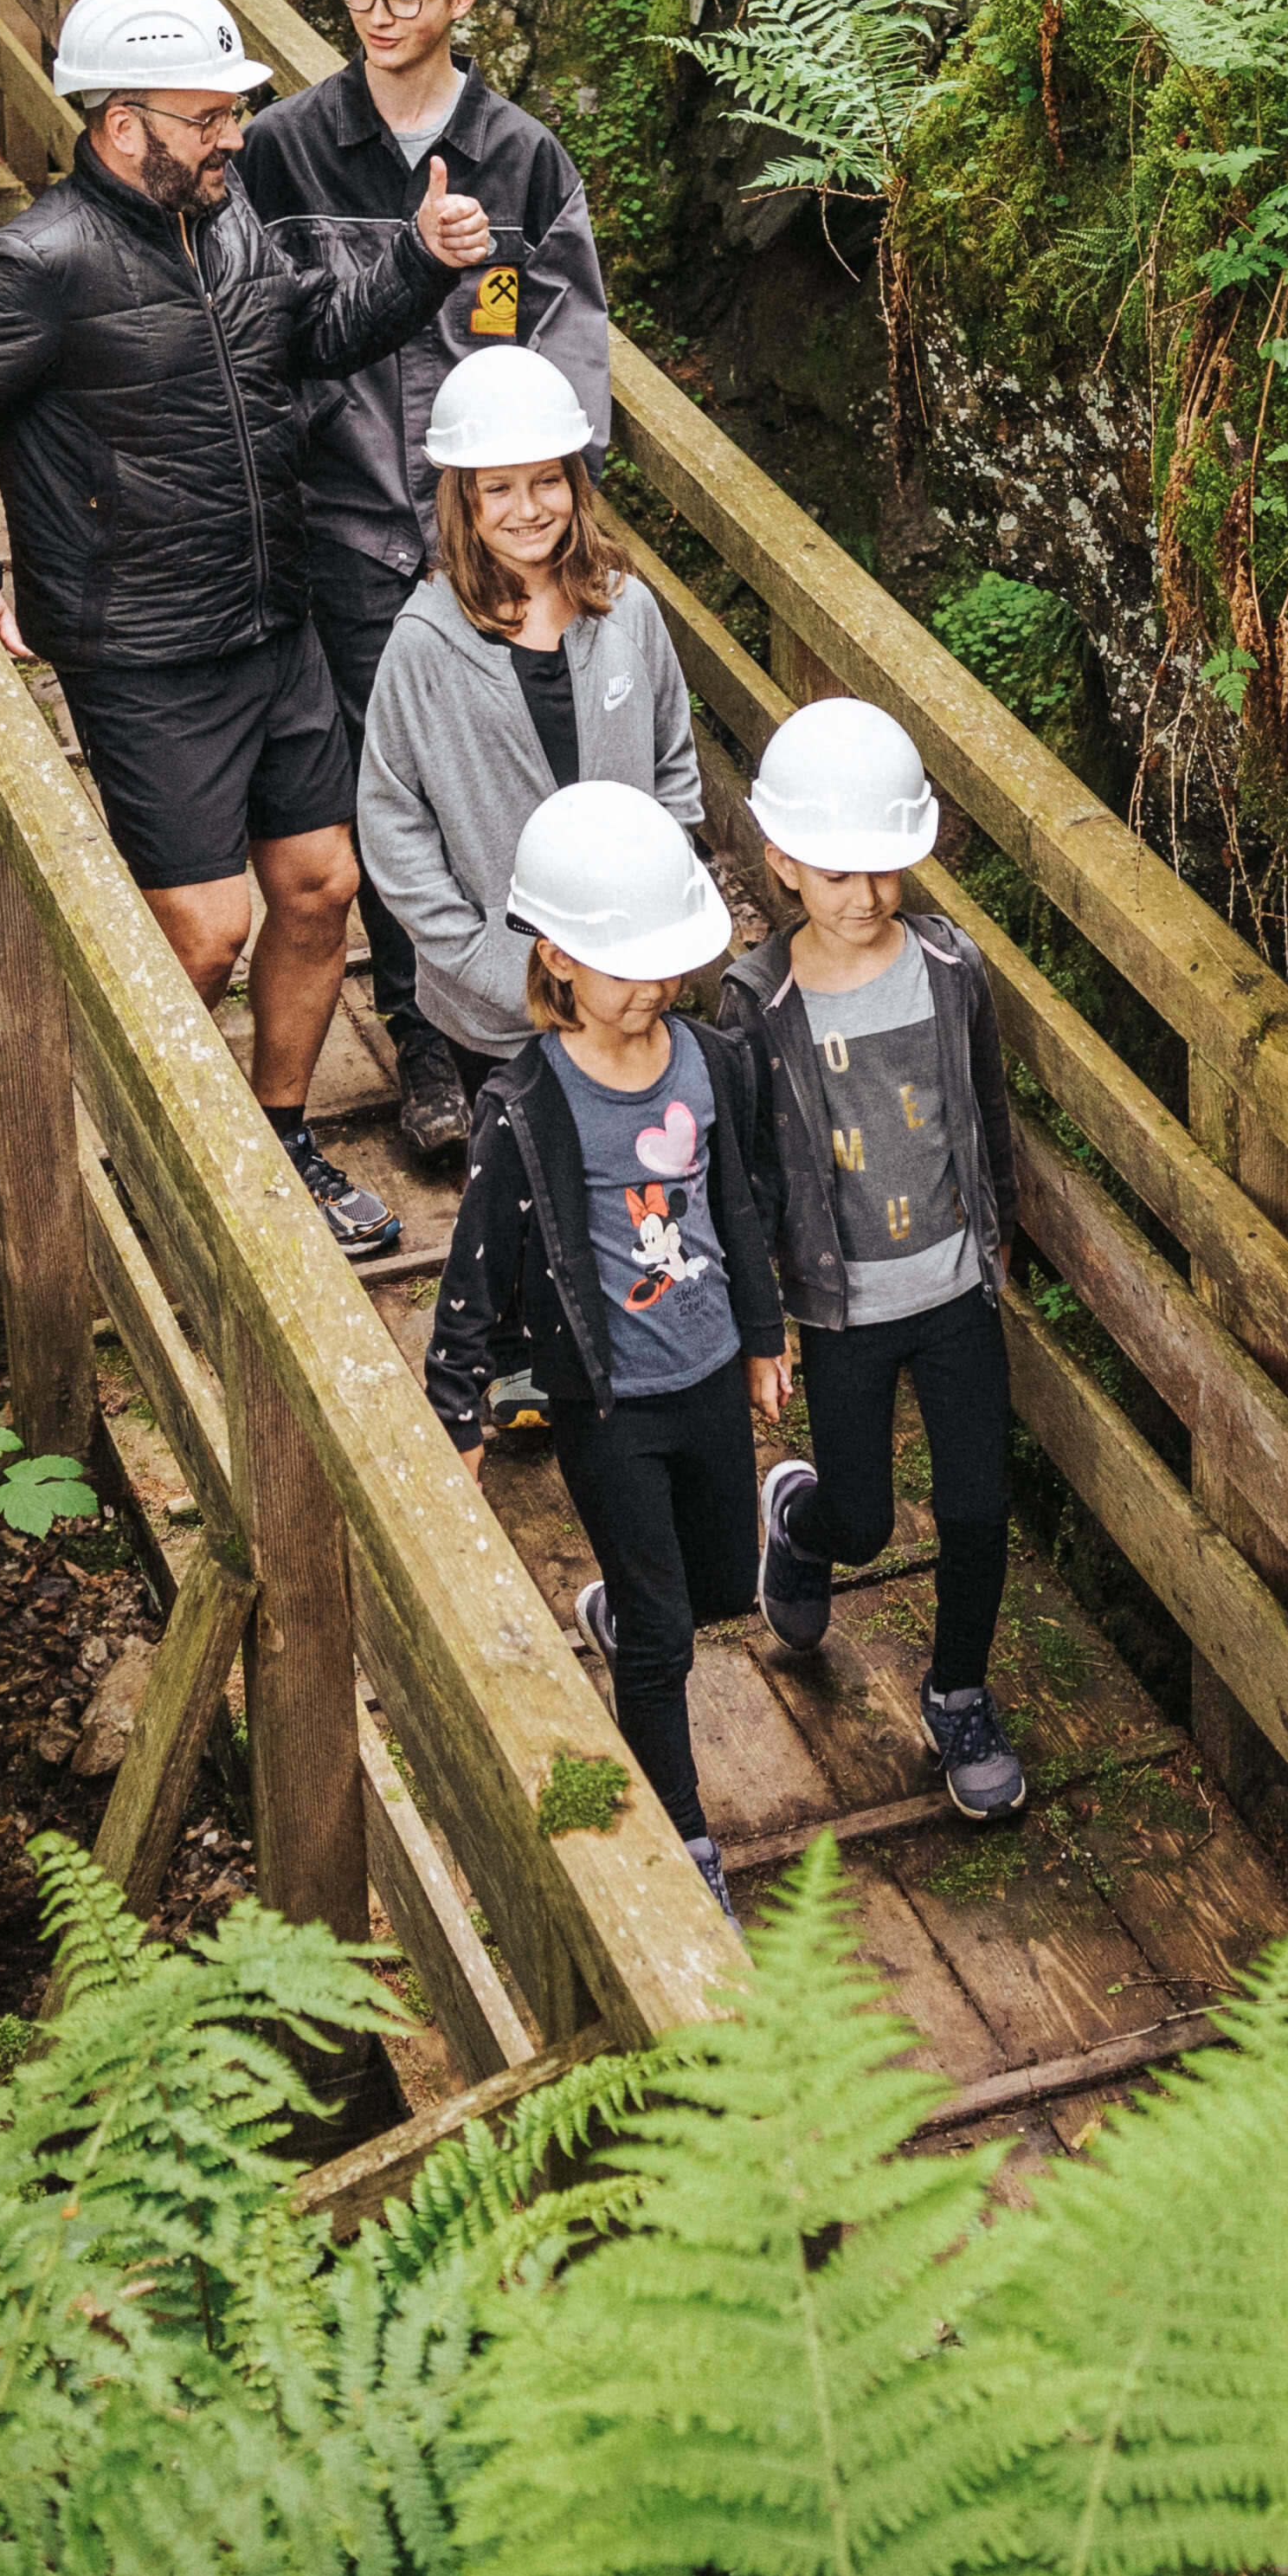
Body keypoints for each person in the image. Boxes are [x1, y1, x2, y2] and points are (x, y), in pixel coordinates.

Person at [0, 0, 474, 1259]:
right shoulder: (39, 262)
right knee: (202, 935)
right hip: (143, 650)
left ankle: (277, 1136)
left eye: (234, 113)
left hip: (275, 619)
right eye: (206, 119)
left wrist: (421, 265)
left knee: (321, 887)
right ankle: (143, 1159)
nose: (234, 137)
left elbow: (312, 336)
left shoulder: (237, 220)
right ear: (120, 121)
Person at [240, 0, 619, 1101]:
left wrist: (548, 513)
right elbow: (257, 334)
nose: (379, 15)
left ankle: (518, 1016)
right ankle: (422, 1042)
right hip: (345, 524)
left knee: (498, 775)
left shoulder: (522, 160)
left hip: (485, 537)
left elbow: (569, 351)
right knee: (384, 790)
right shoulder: (285, 149)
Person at [414, 785, 782, 1908]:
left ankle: (632, 1607)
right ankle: (686, 1842)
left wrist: (766, 1337)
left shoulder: (709, 1064)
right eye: (631, 965)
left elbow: (735, 1207)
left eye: (670, 961)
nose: (659, 987)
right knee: (668, 1639)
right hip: (609, 1400)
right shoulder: (526, 1107)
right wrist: (456, 1410)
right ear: (559, 958)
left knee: (725, 1588)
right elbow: (474, 1269)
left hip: (712, 1370)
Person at [721, 694, 1032, 1823]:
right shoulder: (761, 1004)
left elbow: (987, 1113)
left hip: (954, 1288)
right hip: (843, 1306)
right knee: (866, 1523)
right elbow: (749, 1175)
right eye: (842, 873)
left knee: (976, 1508)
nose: (869, 896)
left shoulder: (952, 969)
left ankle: (956, 1693)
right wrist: (765, 1326)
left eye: (889, 869)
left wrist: (1002, 1239)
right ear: (785, 864)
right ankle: (799, 1522)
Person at [349, 350, 707, 1205]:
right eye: (496, 488)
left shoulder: (627, 609)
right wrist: (475, 954)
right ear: (464, 499)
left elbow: (673, 765)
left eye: (544, 481)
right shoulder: (424, 642)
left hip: (627, 976)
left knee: (638, 1189)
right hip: (496, 1007)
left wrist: (660, 906)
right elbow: (390, 819)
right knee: (530, 1200)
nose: (525, 508)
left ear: (574, 482)